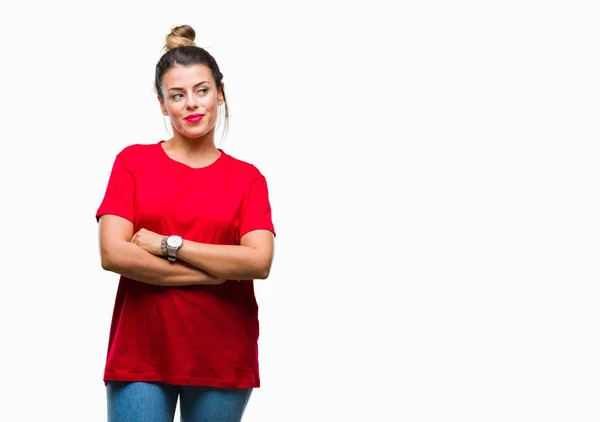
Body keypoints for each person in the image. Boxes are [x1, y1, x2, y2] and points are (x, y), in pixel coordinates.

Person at [95, 24, 276, 422]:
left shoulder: (248, 179)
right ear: (163, 105)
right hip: (140, 354)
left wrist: (168, 245)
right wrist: (212, 273)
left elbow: (258, 262)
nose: (192, 104)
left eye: (202, 90)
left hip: (222, 356)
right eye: (177, 95)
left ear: (220, 94)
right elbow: (113, 252)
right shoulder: (133, 163)